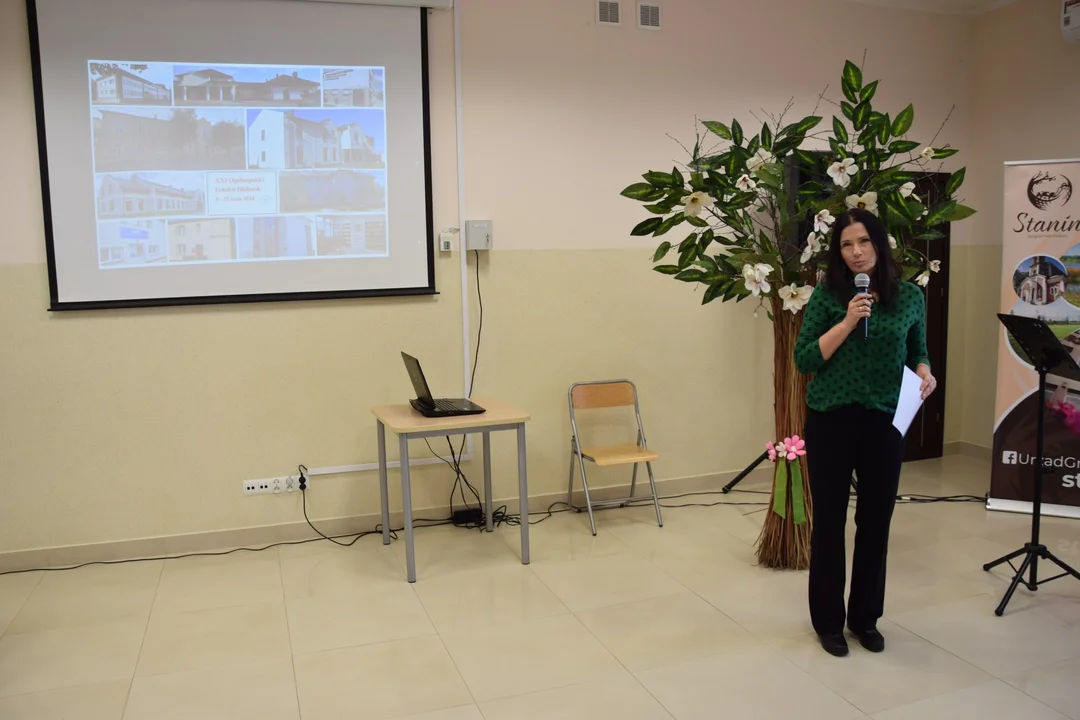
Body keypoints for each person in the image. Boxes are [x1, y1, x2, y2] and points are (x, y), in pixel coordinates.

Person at [793, 207, 937, 657]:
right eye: (846, 245)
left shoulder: (911, 296)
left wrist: (925, 371)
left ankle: (865, 619)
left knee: (876, 522)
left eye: (864, 242)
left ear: (879, 244)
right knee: (831, 523)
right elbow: (805, 359)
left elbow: (919, 349)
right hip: (831, 418)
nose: (856, 253)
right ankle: (829, 623)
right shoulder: (827, 296)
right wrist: (848, 321)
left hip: (884, 420)